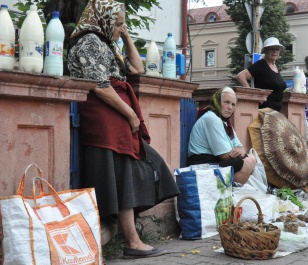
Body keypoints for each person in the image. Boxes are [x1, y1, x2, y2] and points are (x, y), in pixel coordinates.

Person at [68, 0, 179, 259]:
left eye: (122, 24)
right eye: (117, 24)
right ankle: (132, 241)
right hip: (105, 120)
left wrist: (125, 35)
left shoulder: (106, 43)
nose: (120, 28)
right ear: (103, 21)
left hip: (115, 120)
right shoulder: (89, 43)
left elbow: (138, 69)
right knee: (120, 177)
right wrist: (130, 114)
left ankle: (130, 238)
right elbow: (100, 85)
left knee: (137, 169)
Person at [187, 87, 256, 184]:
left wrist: (240, 151)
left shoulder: (226, 123)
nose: (230, 107)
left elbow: (241, 148)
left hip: (214, 160)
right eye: (226, 102)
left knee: (252, 158)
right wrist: (239, 153)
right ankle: (230, 190)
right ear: (217, 102)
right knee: (247, 163)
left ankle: (229, 190)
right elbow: (224, 156)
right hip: (202, 164)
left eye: (233, 104)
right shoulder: (212, 118)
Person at [235, 37, 287, 112]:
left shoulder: (276, 66)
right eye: (272, 49)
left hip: (276, 111)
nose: (275, 51)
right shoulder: (261, 65)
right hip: (265, 111)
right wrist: (253, 95)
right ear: (265, 51)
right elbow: (240, 76)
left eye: (277, 49)